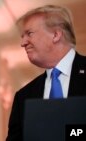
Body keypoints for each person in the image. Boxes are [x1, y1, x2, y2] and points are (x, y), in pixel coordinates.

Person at [6, 5, 86, 141]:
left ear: (56, 34)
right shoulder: (23, 97)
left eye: (29, 33)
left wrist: (71, 133)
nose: (23, 43)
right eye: (22, 36)